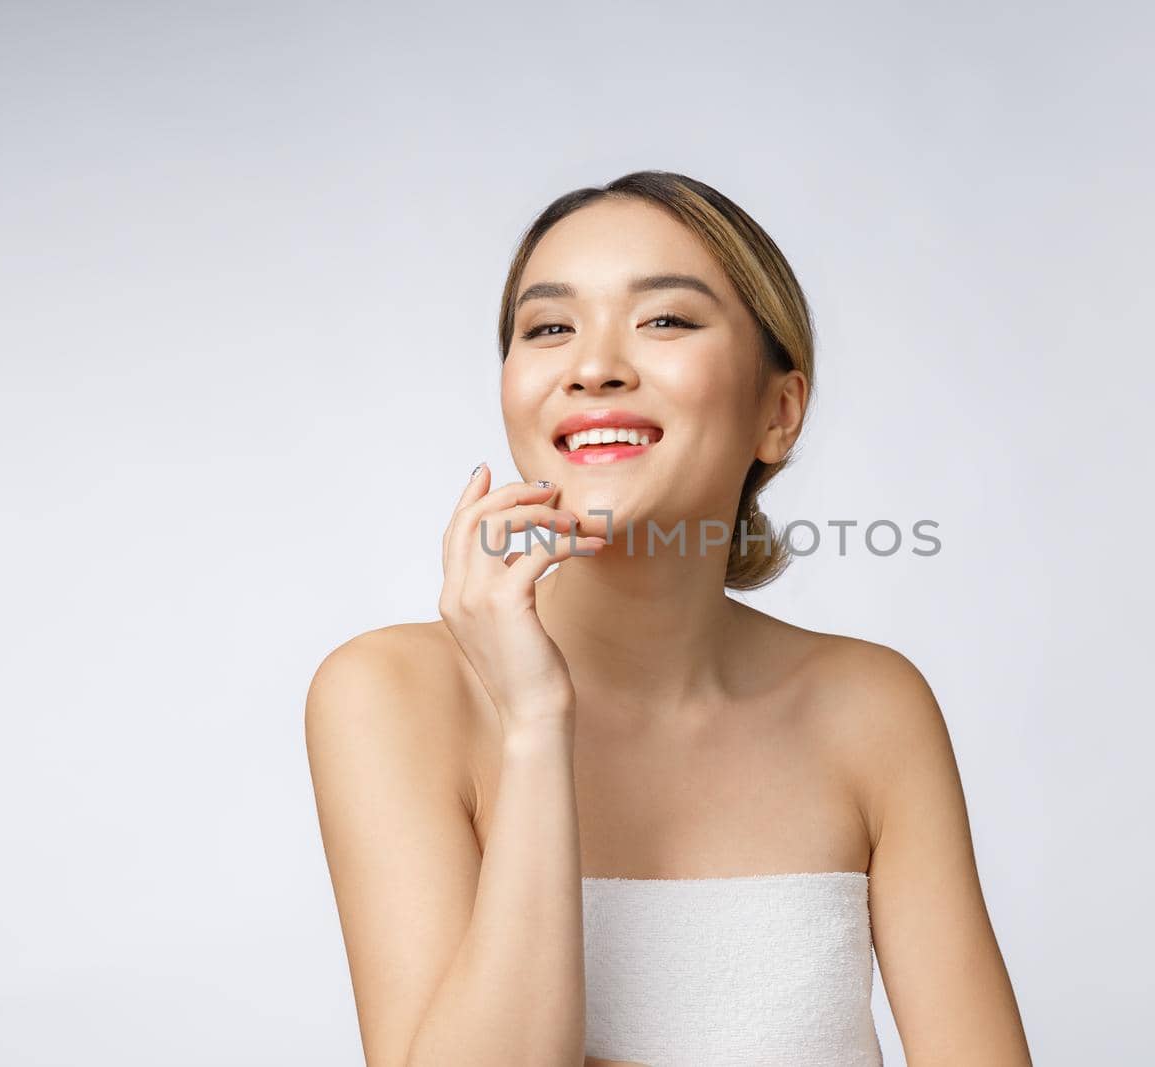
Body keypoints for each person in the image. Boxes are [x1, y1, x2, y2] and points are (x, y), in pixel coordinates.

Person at [306, 170, 1032, 1066]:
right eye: (549, 328)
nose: (594, 365)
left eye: (665, 320)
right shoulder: (390, 694)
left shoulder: (873, 706)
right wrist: (535, 724)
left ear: (778, 411)